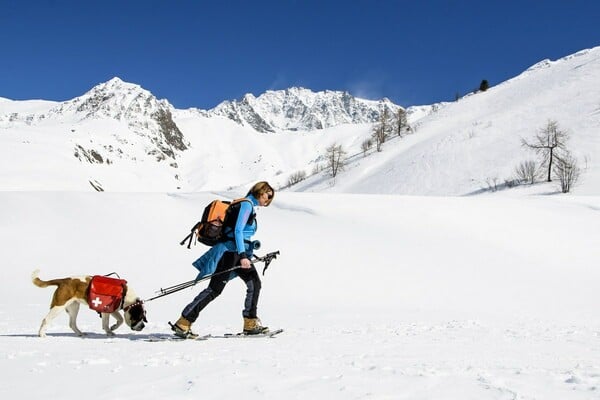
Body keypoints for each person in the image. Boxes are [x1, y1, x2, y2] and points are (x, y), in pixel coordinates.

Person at [171, 181, 275, 338]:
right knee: (215, 289)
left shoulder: (246, 205)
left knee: (254, 283)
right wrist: (242, 256)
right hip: (231, 253)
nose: (268, 200)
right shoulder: (246, 205)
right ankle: (184, 322)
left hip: (237, 252)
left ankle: (250, 323)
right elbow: (238, 231)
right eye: (268, 196)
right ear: (261, 192)